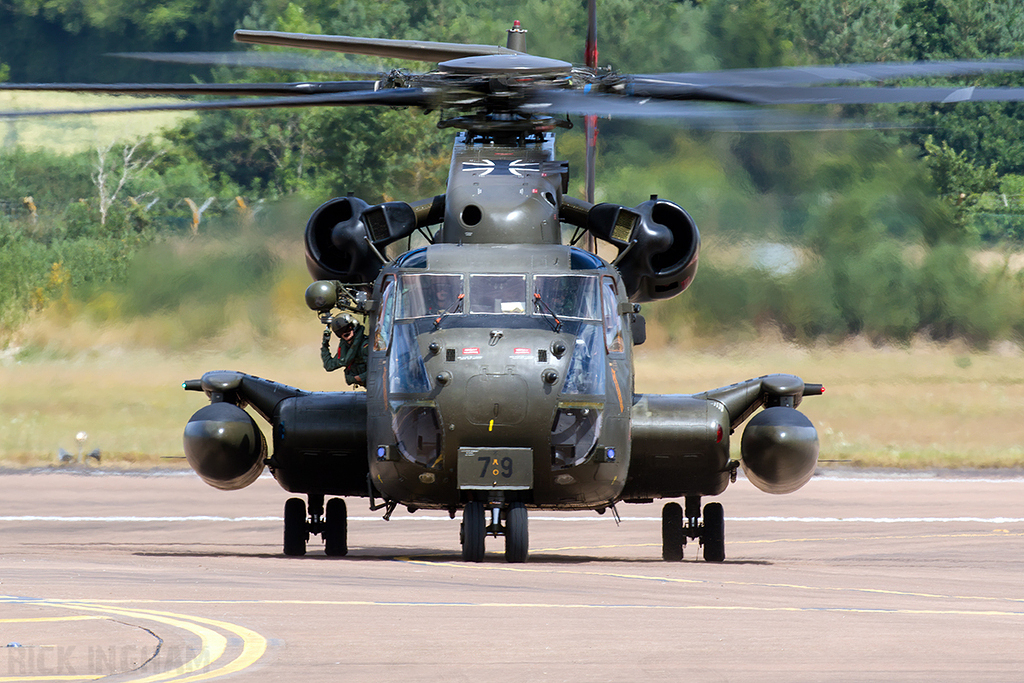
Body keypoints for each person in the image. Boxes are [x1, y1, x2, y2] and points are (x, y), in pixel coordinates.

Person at [322, 313, 369, 387]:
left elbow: (379, 369)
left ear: (353, 326)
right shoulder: (346, 348)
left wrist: (358, 378)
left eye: (347, 328)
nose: (345, 333)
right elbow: (329, 366)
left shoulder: (365, 346)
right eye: (340, 332)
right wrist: (325, 344)